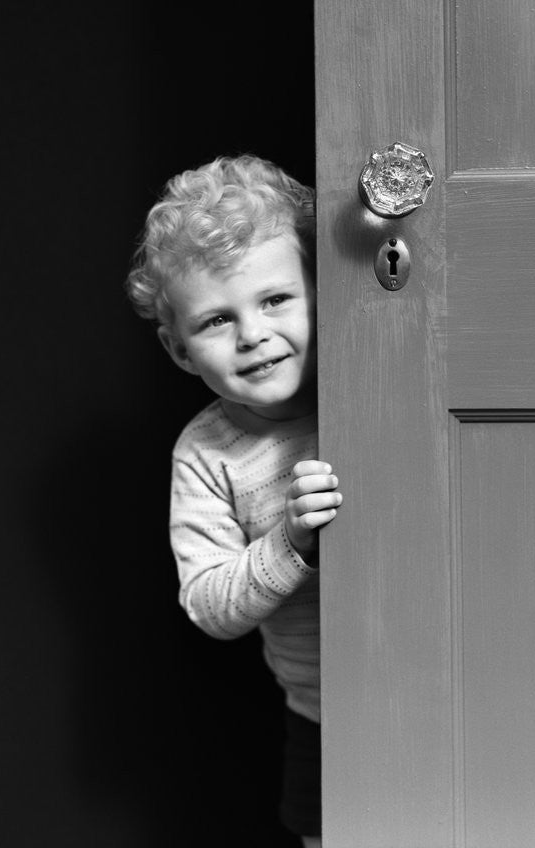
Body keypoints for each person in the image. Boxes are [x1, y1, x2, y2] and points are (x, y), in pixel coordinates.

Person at [127, 155, 338, 847]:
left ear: (320, 291)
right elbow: (209, 605)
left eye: (275, 300)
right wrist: (288, 543)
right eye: (217, 320)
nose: (252, 335)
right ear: (180, 350)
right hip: (320, 716)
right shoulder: (206, 453)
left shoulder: (370, 387)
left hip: (438, 682)